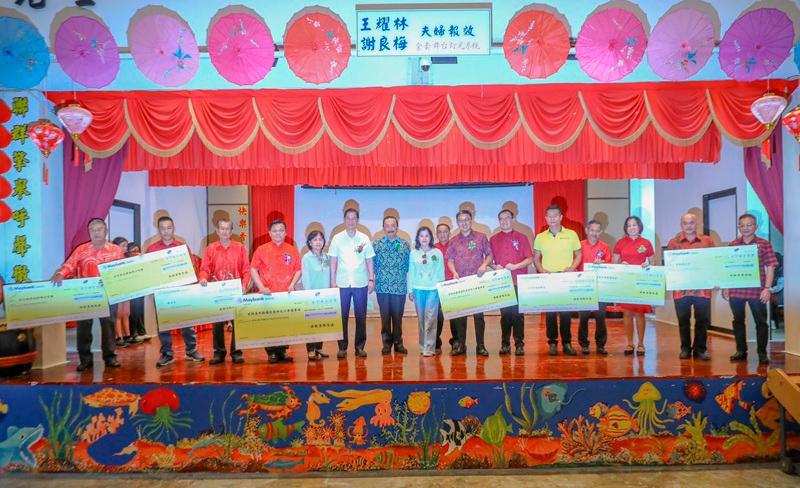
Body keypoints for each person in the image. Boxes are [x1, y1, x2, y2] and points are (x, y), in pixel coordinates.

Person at [51, 218, 125, 371]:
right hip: (85, 294)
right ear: (89, 232)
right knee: (83, 328)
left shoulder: (115, 250)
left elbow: (122, 270)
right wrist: (60, 274)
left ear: (106, 231)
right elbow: (69, 265)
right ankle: (85, 360)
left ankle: (110, 357)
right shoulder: (81, 250)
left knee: (109, 326)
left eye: (99, 229)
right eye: (93, 229)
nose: (96, 232)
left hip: (108, 294)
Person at [147, 216, 205, 368]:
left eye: (169, 228)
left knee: (187, 323)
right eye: (163, 228)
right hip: (162, 293)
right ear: (158, 229)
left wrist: (192, 287)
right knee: (164, 325)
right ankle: (167, 353)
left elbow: (191, 267)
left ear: (173, 228)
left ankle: (191, 350)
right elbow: (147, 272)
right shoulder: (152, 250)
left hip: (182, 291)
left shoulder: (182, 247)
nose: (166, 231)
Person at [723, 213, 778, 365]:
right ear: (738, 227)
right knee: (738, 321)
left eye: (749, 225)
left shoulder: (764, 244)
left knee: (761, 322)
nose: (746, 228)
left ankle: (762, 353)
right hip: (736, 291)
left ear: (756, 226)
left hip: (757, 291)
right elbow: (728, 268)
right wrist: (726, 286)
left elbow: (771, 266)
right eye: (742, 225)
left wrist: (767, 288)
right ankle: (741, 351)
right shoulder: (733, 245)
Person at [199, 218, 251, 365]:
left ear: (231, 231)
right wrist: (203, 278)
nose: (225, 231)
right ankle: (219, 352)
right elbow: (205, 269)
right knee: (217, 323)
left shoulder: (240, 248)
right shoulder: (211, 248)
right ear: (217, 231)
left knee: (237, 322)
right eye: (222, 228)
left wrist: (244, 285)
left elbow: (246, 270)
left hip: (235, 291)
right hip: (217, 293)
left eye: (227, 229)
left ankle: (237, 352)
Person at [250, 220, 302, 364]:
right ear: (269, 233)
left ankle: (282, 351)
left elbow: (298, 269)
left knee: (285, 323)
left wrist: (292, 284)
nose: (278, 233)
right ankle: (272, 352)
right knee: (270, 324)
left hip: (286, 293)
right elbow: (253, 269)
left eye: (281, 230)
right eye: (275, 231)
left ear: (285, 232)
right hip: (268, 293)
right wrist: (261, 287)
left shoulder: (291, 249)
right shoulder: (261, 249)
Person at [533, 205, 582, 356]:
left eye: (555, 216)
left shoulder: (572, 234)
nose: (552, 219)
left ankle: (567, 343)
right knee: (551, 314)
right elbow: (535, 258)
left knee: (566, 313)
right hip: (549, 279)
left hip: (565, 278)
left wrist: (572, 268)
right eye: (549, 216)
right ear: (546, 218)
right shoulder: (540, 237)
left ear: (561, 217)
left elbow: (579, 254)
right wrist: (542, 271)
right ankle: (552, 343)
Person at [667, 214, 715, 361]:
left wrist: (717, 279)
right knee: (683, 320)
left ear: (697, 224)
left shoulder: (707, 241)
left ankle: (700, 349)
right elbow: (670, 265)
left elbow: (714, 261)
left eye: (691, 223)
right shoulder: (673, 243)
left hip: (703, 289)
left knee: (702, 320)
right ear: (681, 225)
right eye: (685, 223)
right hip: (681, 290)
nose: (688, 226)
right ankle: (685, 348)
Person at [329, 208, 375, 359]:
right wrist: (332, 281)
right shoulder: (337, 238)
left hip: (360, 282)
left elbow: (369, 260)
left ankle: (360, 347)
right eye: (348, 218)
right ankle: (342, 347)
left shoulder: (364, 238)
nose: (351, 221)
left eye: (353, 218)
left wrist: (371, 279)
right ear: (344, 220)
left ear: (358, 220)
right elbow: (333, 260)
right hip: (342, 283)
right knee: (342, 316)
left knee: (361, 316)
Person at [446, 209, 493, 356]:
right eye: (461, 220)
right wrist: (453, 272)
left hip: (477, 282)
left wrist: (484, 265)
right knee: (460, 317)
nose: (464, 223)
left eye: (467, 220)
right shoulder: (453, 241)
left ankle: (481, 346)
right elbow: (450, 260)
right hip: (461, 283)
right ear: (458, 223)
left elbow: (490, 255)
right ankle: (461, 345)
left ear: (471, 220)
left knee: (479, 317)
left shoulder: (481, 237)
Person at [490, 208, 532, 356]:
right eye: (501, 219)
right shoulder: (494, 239)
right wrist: (495, 266)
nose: (504, 221)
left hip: (518, 281)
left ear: (513, 220)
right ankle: (505, 344)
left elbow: (529, 259)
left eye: (507, 218)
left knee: (518, 315)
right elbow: (489, 260)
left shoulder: (522, 237)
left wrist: (515, 266)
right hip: (502, 282)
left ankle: (519, 344)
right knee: (505, 315)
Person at [613, 215, 655, 357]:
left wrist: (647, 265)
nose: (631, 228)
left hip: (640, 282)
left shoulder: (646, 243)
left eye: (634, 225)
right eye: (629, 225)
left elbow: (653, 263)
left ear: (639, 227)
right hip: (626, 282)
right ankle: (630, 343)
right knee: (627, 313)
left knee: (640, 313)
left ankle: (641, 344)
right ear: (626, 228)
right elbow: (614, 264)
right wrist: (621, 265)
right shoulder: (620, 243)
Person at [373, 215, 411, 355]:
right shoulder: (376, 245)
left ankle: (398, 343)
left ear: (397, 227)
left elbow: (408, 265)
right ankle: (386, 344)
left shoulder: (404, 244)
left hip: (399, 287)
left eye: (393, 225)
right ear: (383, 228)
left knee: (397, 317)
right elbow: (372, 264)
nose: (390, 228)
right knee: (385, 317)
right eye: (387, 226)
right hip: (382, 287)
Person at [407, 226, 445, 357]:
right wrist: (410, 290)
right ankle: (422, 346)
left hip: (433, 290)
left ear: (431, 238)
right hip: (418, 289)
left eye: (427, 235)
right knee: (421, 319)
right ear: (418, 238)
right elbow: (411, 272)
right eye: (421, 235)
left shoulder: (437, 253)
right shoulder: (413, 253)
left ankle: (429, 348)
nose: (424, 238)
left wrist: (441, 288)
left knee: (431, 318)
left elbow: (441, 272)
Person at [578, 220, 611, 355]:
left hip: (600, 287)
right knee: (583, 316)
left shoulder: (605, 247)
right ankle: (584, 344)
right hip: (583, 286)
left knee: (600, 316)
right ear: (587, 230)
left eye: (597, 231)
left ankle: (600, 345)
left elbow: (609, 266)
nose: (594, 233)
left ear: (601, 232)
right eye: (592, 230)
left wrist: (602, 264)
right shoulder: (579, 246)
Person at [301, 230, 331, 360]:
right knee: (312, 324)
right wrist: (309, 294)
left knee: (322, 324)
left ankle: (319, 348)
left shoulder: (327, 257)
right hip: (312, 296)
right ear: (309, 243)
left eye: (320, 239)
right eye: (315, 240)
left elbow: (330, 275)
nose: (318, 242)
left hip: (325, 296)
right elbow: (305, 277)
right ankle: (311, 350)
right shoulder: (306, 258)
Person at [434, 223, 455, 353]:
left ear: (449, 233)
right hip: (437, 287)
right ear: (436, 234)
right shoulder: (432, 248)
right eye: (440, 232)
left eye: (445, 231)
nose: (443, 234)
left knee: (455, 316)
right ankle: (436, 342)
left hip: (453, 285)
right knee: (438, 316)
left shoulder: (455, 246)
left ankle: (456, 341)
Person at [111, 236, 133, 348]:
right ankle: (118, 337)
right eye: (123, 246)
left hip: (127, 288)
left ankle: (127, 335)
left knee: (126, 313)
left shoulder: (127, 258)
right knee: (118, 314)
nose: (125, 248)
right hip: (117, 289)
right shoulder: (112, 259)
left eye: (126, 246)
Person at [125, 242, 148, 342]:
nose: (136, 253)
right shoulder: (124, 262)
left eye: (137, 251)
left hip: (140, 287)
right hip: (129, 290)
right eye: (133, 251)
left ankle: (142, 332)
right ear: (128, 252)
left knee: (140, 311)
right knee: (133, 312)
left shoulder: (141, 260)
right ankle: (133, 334)